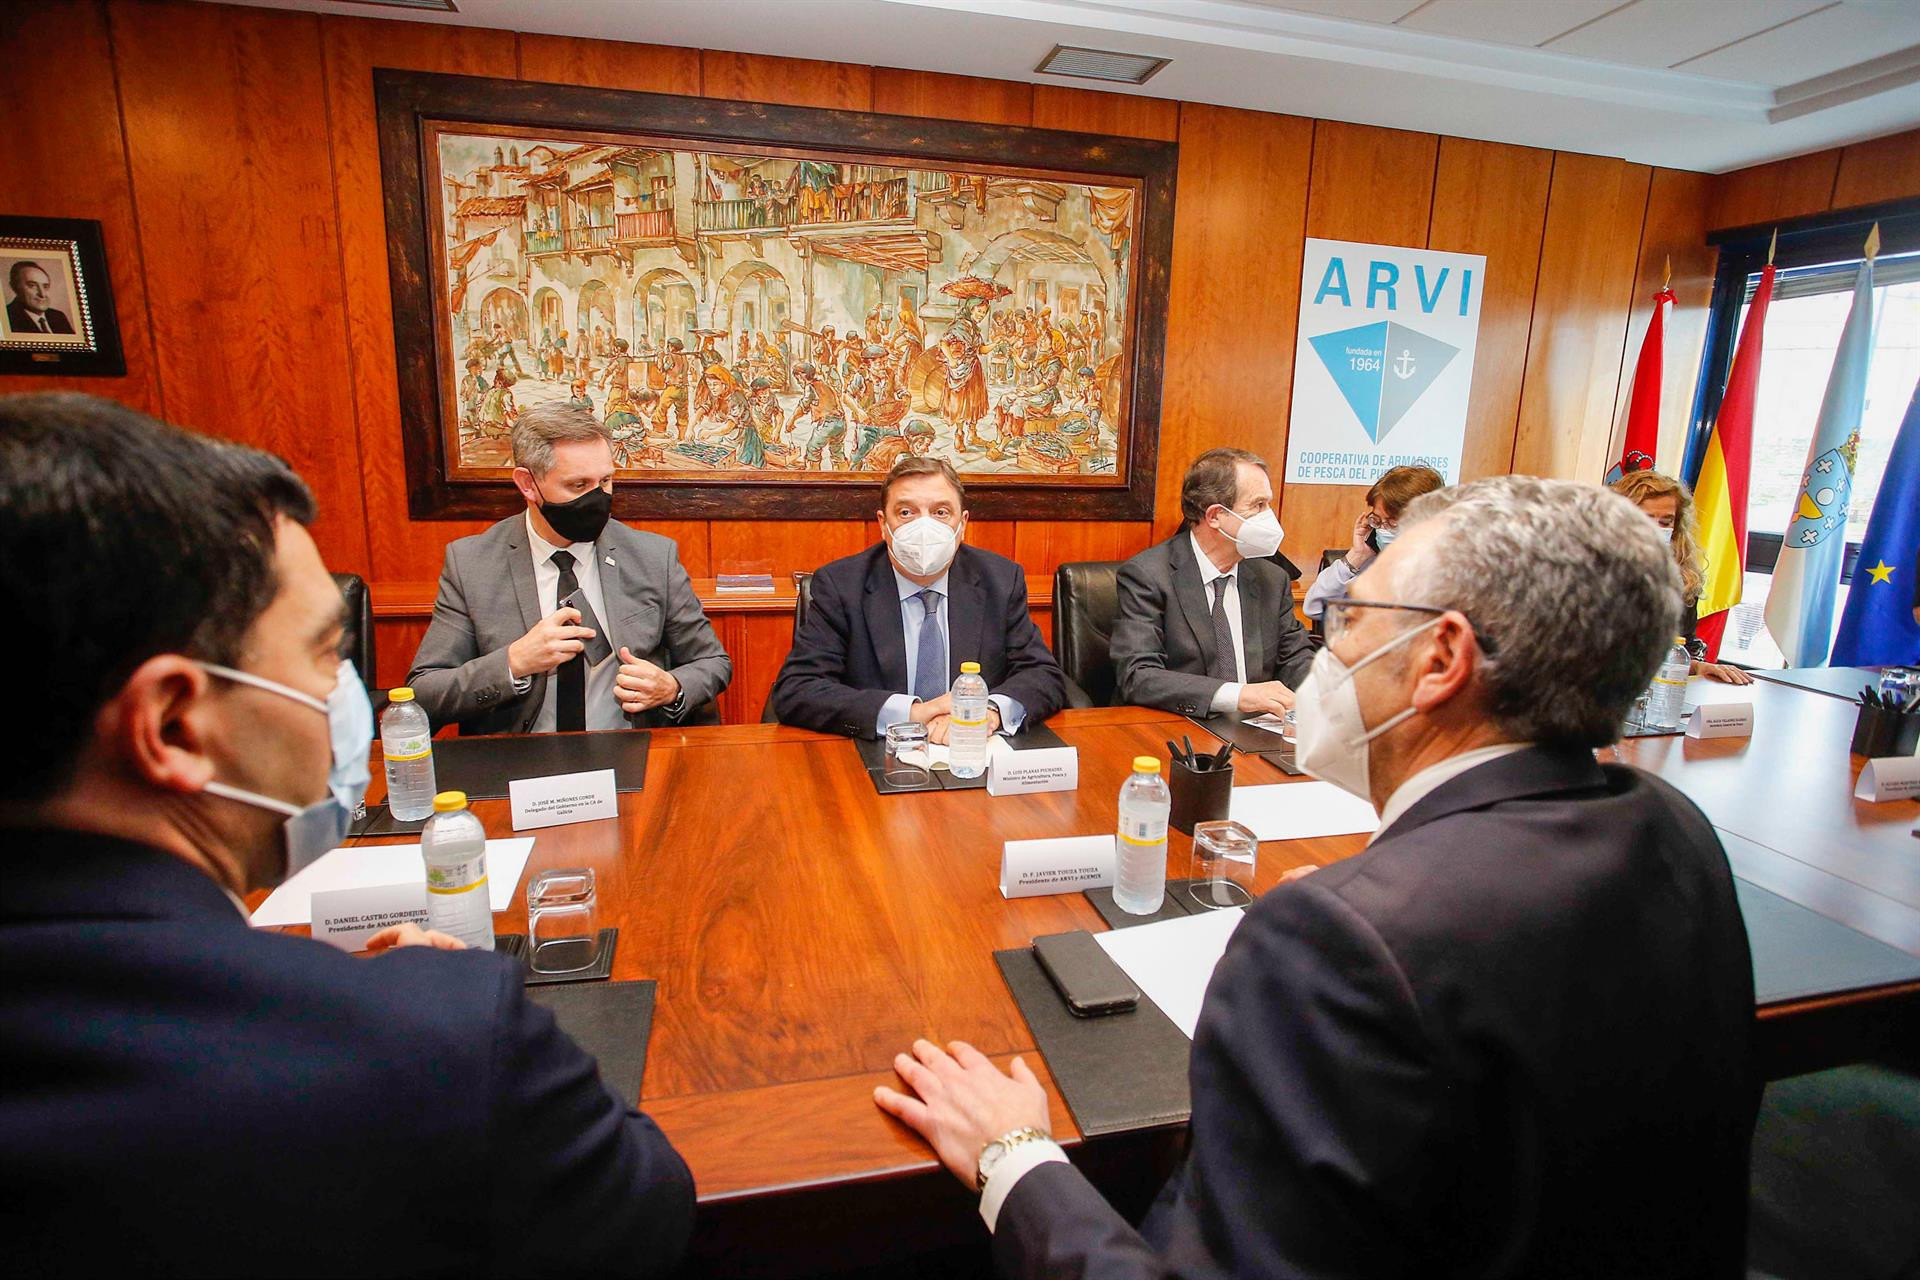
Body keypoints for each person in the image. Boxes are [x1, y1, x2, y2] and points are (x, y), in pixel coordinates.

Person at [875, 474, 1756, 1280]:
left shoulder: (1337, 940)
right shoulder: (1674, 830)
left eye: (1353, 619)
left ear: (1441, 661)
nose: (1326, 652)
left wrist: (1012, 1157)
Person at [0, 393, 693, 1276]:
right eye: (327, 657)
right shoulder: (430, 1038)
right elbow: (648, 1214)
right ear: (173, 724)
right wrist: (426, 1007)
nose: (349, 701)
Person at [408, 404, 731, 734]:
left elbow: (713, 663)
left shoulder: (652, 556)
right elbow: (424, 692)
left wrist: (672, 687)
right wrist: (513, 662)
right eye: (578, 485)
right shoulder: (473, 564)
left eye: (605, 481)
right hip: (521, 762)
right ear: (528, 484)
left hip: (628, 752)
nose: (597, 498)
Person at [771, 456, 1065, 741]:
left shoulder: (1000, 580)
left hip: (973, 752)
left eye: (940, 512)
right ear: (883, 525)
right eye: (906, 513)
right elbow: (798, 689)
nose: (924, 528)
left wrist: (986, 712)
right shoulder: (841, 585)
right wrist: (913, 712)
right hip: (875, 758)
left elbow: (1042, 674)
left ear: (962, 524)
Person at [1111, 448, 1315, 717]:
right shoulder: (1148, 575)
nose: (1270, 517)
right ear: (1215, 516)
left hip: (1262, 731)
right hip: (1181, 726)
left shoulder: (1271, 579)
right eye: (1258, 505)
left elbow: (1296, 658)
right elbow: (1139, 675)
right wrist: (1237, 696)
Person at [1610, 469, 1754, 684]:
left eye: (1666, 522)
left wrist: (1700, 667)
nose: (1657, 529)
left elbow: (1679, 647)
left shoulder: (1682, 577)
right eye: (1646, 519)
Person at [1302, 464, 1445, 620]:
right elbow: (1314, 608)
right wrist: (1357, 556)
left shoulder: (1446, 571)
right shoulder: (1371, 562)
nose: (1382, 529)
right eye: (1376, 520)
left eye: (1392, 523)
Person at [6, 260, 75, 334]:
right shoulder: (7, 318)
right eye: (32, 285)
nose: (42, 294)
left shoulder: (58, 317)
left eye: (45, 286)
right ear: (14, 287)